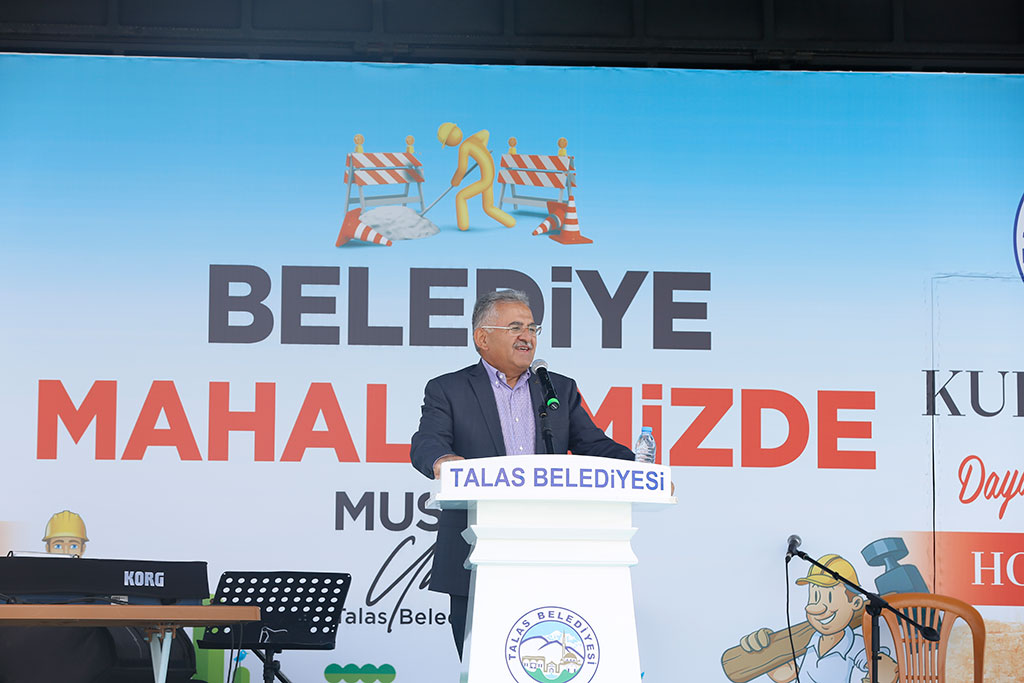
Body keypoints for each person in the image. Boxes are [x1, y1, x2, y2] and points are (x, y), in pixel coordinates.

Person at [409, 289, 635, 658]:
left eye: (532, 328)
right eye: (515, 327)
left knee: (548, 658)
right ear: (483, 338)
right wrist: (443, 461)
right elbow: (427, 441)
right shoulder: (448, 389)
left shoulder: (557, 388)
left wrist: (640, 471)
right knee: (481, 665)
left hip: (550, 551)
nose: (527, 336)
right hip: (475, 554)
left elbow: (594, 444)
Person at [739, 554, 897, 683]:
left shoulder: (852, 645)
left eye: (829, 597)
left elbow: (884, 667)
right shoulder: (810, 641)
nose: (815, 608)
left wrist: (883, 672)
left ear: (855, 603)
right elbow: (787, 673)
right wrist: (765, 649)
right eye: (814, 597)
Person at [436, 122, 516, 231]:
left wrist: (455, 181)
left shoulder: (464, 147)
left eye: (447, 143)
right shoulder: (473, 139)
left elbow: (462, 169)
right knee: (488, 207)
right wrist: (482, 152)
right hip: (490, 173)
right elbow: (486, 133)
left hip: (486, 179)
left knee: (460, 196)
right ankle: (511, 222)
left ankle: (463, 226)